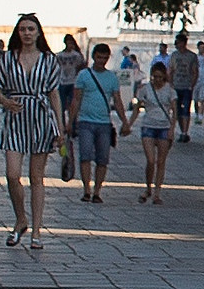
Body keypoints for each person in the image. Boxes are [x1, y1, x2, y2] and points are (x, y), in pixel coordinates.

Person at [0, 12, 62, 248]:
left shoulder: (48, 60)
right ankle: (21, 218)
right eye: (23, 29)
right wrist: (5, 102)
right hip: (15, 118)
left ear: (38, 33)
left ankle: (37, 231)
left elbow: (54, 93)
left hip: (40, 117)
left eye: (31, 29)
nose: (27, 33)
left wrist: (61, 126)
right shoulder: (8, 59)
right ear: (17, 33)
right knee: (12, 174)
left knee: (37, 177)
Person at [72, 43, 129, 203]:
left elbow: (117, 100)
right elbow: (76, 99)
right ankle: (86, 189)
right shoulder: (83, 75)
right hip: (85, 121)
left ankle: (97, 191)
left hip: (104, 123)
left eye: (104, 58)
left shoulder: (112, 78)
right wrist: (70, 121)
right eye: (99, 57)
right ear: (93, 57)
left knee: (102, 159)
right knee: (85, 156)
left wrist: (125, 121)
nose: (101, 61)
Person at [131, 60, 177, 204]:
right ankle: (148, 187)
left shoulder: (170, 90)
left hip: (164, 127)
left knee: (161, 162)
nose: (157, 80)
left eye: (160, 77)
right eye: (155, 77)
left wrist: (172, 129)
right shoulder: (145, 89)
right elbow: (137, 109)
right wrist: (129, 124)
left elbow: (175, 111)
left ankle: (157, 192)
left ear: (164, 76)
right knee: (150, 160)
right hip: (148, 126)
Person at [52, 34, 87, 179]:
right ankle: (61, 126)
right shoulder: (59, 56)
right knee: (60, 106)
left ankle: (71, 125)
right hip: (62, 81)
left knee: (73, 104)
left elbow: (81, 66)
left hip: (73, 81)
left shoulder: (77, 56)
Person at [168, 32, 202, 142]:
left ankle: (185, 132)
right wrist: (170, 84)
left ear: (183, 43)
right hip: (176, 86)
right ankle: (182, 130)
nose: (176, 44)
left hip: (187, 86)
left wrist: (192, 85)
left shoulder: (192, 56)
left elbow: (195, 72)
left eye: (178, 42)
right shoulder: (174, 55)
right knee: (177, 110)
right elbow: (171, 70)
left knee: (186, 109)